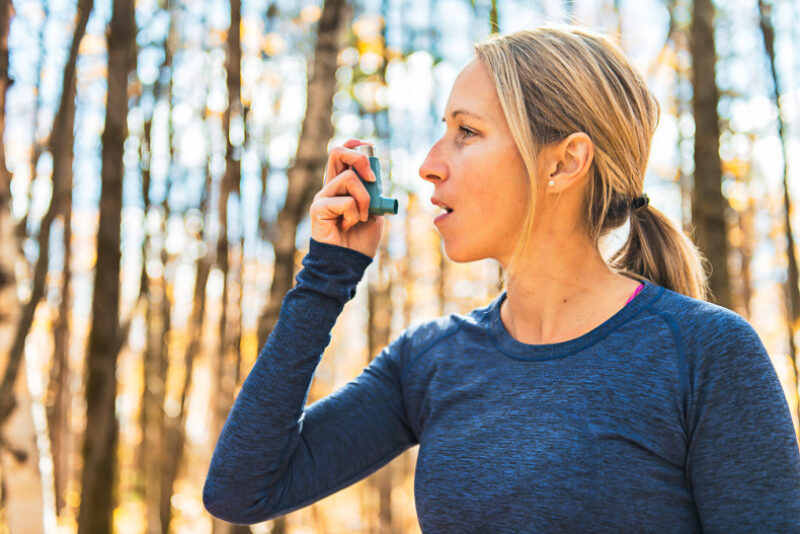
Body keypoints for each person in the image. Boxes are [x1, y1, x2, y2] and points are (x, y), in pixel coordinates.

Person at [203, 26, 800, 532]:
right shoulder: (429, 360)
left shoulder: (705, 353)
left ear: (564, 162)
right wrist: (326, 277)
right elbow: (241, 490)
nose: (430, 164)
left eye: (467, 131)